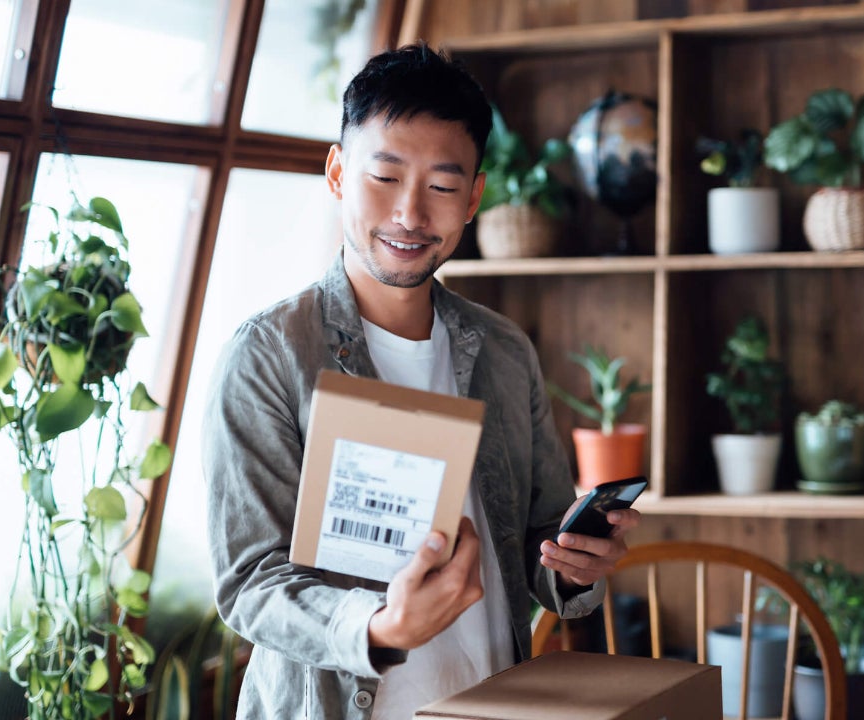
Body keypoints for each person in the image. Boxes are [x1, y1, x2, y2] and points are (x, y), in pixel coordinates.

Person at [203, 43, 641, 720]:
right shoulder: (270, 355)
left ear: (473, 198)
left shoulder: (503, 350)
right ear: (338, 173)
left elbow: (538, 540)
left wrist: (577, 561)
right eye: (384, 178)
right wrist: (380, 629)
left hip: (491, 702)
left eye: (441, 186)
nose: (410, 214)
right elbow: (251, 584)